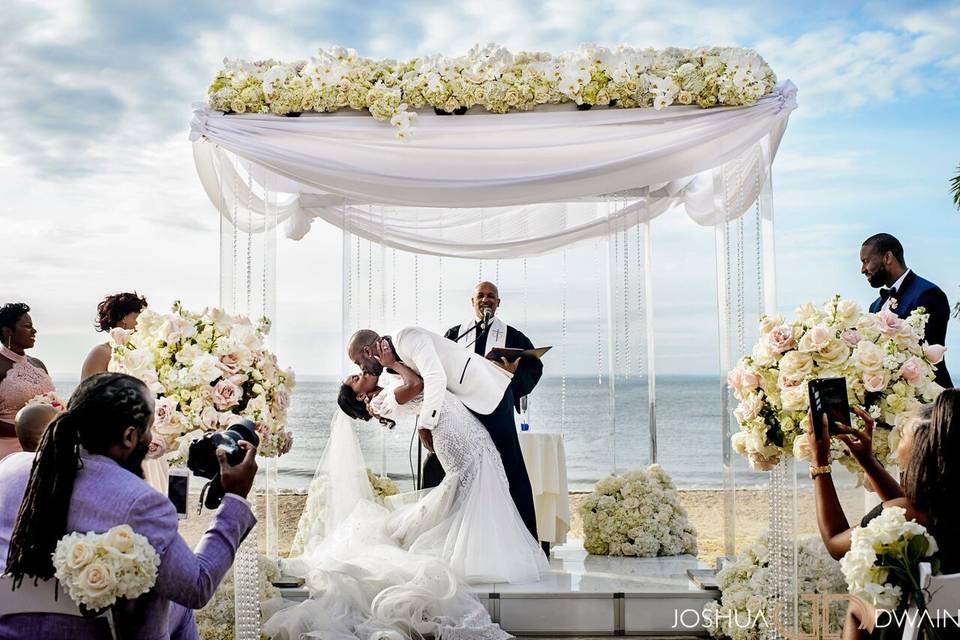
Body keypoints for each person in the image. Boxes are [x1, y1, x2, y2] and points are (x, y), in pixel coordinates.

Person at [0, 373, 258, 640]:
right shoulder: (141, 502)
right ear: (129, 437)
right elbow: (197, 586)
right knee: (178, 604)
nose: (149, 439)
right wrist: (235, 499)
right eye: (147, 429)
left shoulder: (10, 468)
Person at [348, 327, 539, 542]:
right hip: (467, 409)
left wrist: (424, 424)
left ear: (366, 351)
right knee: (486, 475)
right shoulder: (392, 366)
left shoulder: (407, 338)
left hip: (488, 396)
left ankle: (532, 541)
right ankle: (495, 539)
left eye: (358, 363)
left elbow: (435, 377)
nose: (361, 369)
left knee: (513, 471)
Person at [806, 390, 959, 639]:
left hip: (920, 629)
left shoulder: (906, 512)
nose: (897, 445)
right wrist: (867, 460)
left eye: (902, 436)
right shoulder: (940, 507)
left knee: (857, 606)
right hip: (952, 621)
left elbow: (835, 543)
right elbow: (909, 509)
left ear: (921, 449)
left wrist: (820, 461)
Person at [430, 281, 543, 489]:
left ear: (498, 302)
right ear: (473, 301)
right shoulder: (455, 335)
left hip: (497, 413)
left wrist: (510, 379)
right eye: (480, 296)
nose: (485, 300)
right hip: (461, 413)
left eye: (491, 296)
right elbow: (438, 370)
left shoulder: (514, 337)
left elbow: (535, 367)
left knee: (508, 468)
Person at [78, 291, 170, 493]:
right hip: (116, 442)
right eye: (138, 313)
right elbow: (85, 401)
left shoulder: (150, 353)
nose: (144, 318)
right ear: (123, 318)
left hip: (149, 440)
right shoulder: (102, 352)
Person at [861, 233, 952, 387]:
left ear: (887, 258)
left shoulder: (928, 294)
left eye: (866, 261)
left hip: (928, 398)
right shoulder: (875, 306)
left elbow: (926, 353)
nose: (863, 269)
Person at [0, 303, 54, 461]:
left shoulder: (38, 364)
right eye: (27, 326)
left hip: (42, 448)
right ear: (7, 331)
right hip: (8, 452)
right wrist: (27, 430)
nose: (34, 330)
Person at [80, 291, 148, 379]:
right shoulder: (102, 352)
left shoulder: (145, 352)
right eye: (140, 315)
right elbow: (88, 391)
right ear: (124, 317)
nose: (145, 320)